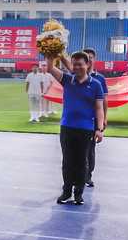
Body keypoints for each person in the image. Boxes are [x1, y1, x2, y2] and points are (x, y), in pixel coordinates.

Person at [46, 51, 104, 206]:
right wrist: (49, 52)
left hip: (86, 129)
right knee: (67, 161)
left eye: (80, 64)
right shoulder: (67, 80)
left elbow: (99, 108)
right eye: (74, 64)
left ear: (87, 65)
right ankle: (66, 191)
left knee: (82, 162)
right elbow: (50, 68)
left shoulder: (96, 84)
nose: (77, 67)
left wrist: (99, 128)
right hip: (67, 128)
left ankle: (78, 193)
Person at [78, 48, 108, 188]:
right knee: (76, 150)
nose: (89, 59)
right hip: (78, 119)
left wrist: (104, 119)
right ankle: (76, 175)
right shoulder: (75, 76)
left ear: (94, 59)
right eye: (86, 57)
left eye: (91, 57)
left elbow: (104, 101)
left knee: (90, 149)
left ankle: (87, 175)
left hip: (93, 119)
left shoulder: (100, 79)